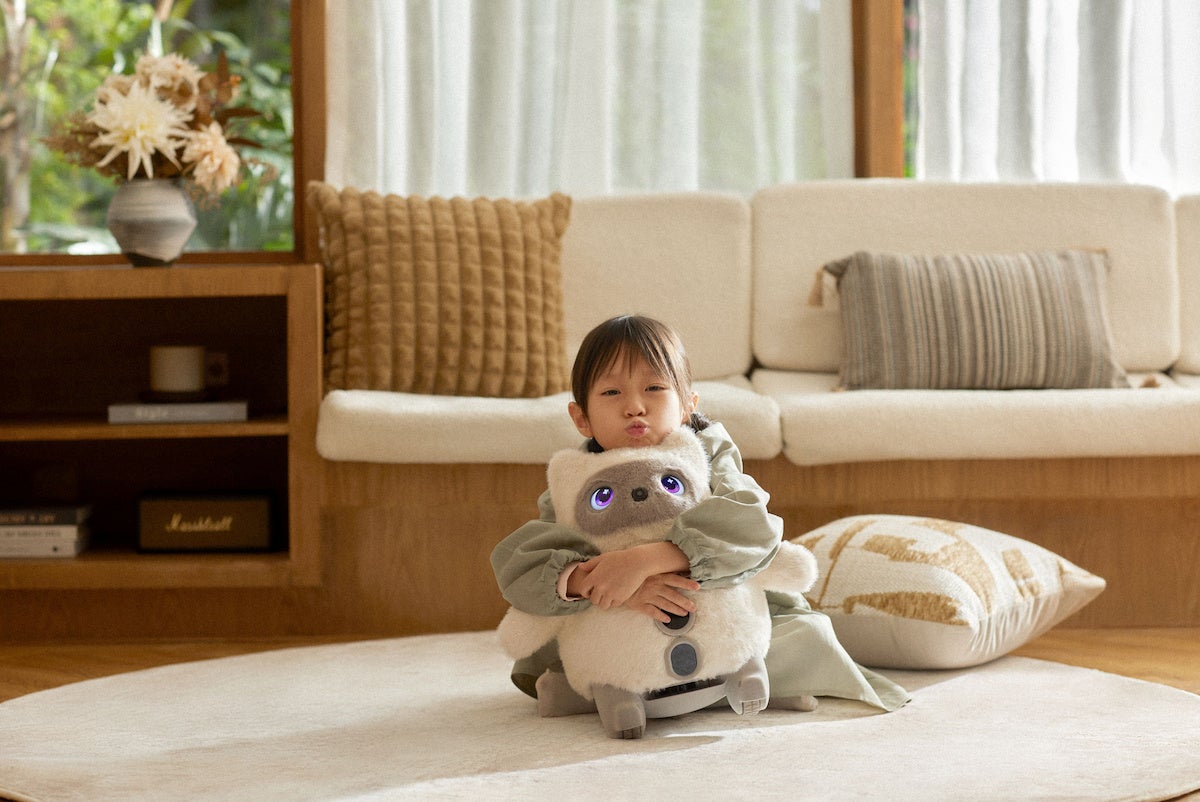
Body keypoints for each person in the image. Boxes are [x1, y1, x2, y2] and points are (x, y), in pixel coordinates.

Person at [490, 314, 909, 715]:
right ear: (581, 417)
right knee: (563, 646)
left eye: (654, 388)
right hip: (623, 623)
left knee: (797, 635)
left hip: (716, 599)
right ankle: (626, 689)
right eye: (611, 393)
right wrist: (596, 583)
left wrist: (647, 560)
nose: (634, 406)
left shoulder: (709, 454)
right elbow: (523, 562)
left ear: (687, 406)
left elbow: (752, 526)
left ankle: (737, 678)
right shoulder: (574, 479)